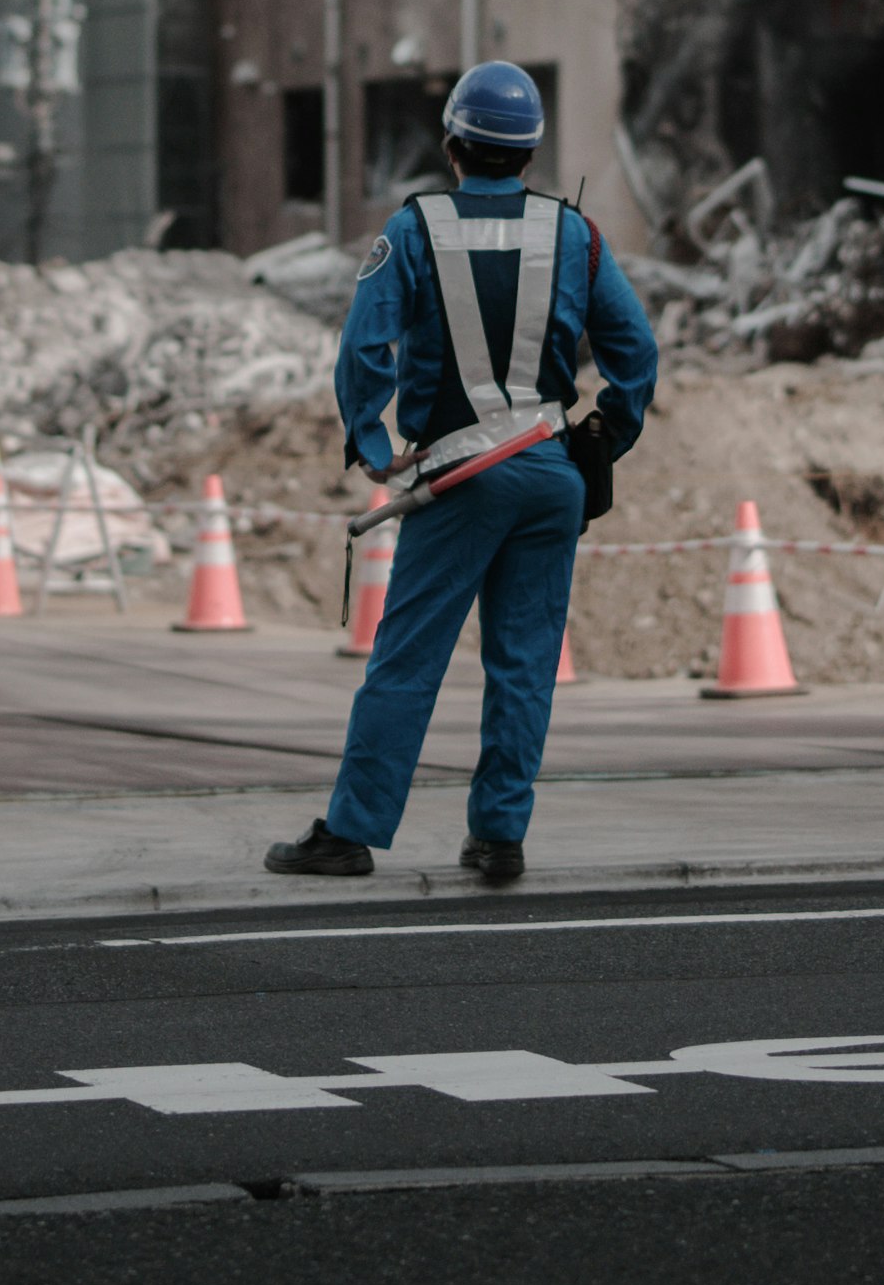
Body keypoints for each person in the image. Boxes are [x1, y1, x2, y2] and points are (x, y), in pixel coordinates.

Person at [265, 60, 660, 885]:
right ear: (530, 153)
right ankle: (498, 836)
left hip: (459, 478)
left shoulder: (414, 228)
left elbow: (363, 348)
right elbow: (636, 353)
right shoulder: (574, 233)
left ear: (453, 143)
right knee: (523, 663)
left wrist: (373, 447)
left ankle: (351, 831)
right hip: (550, 471)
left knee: (406, 660)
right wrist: (605, 439)